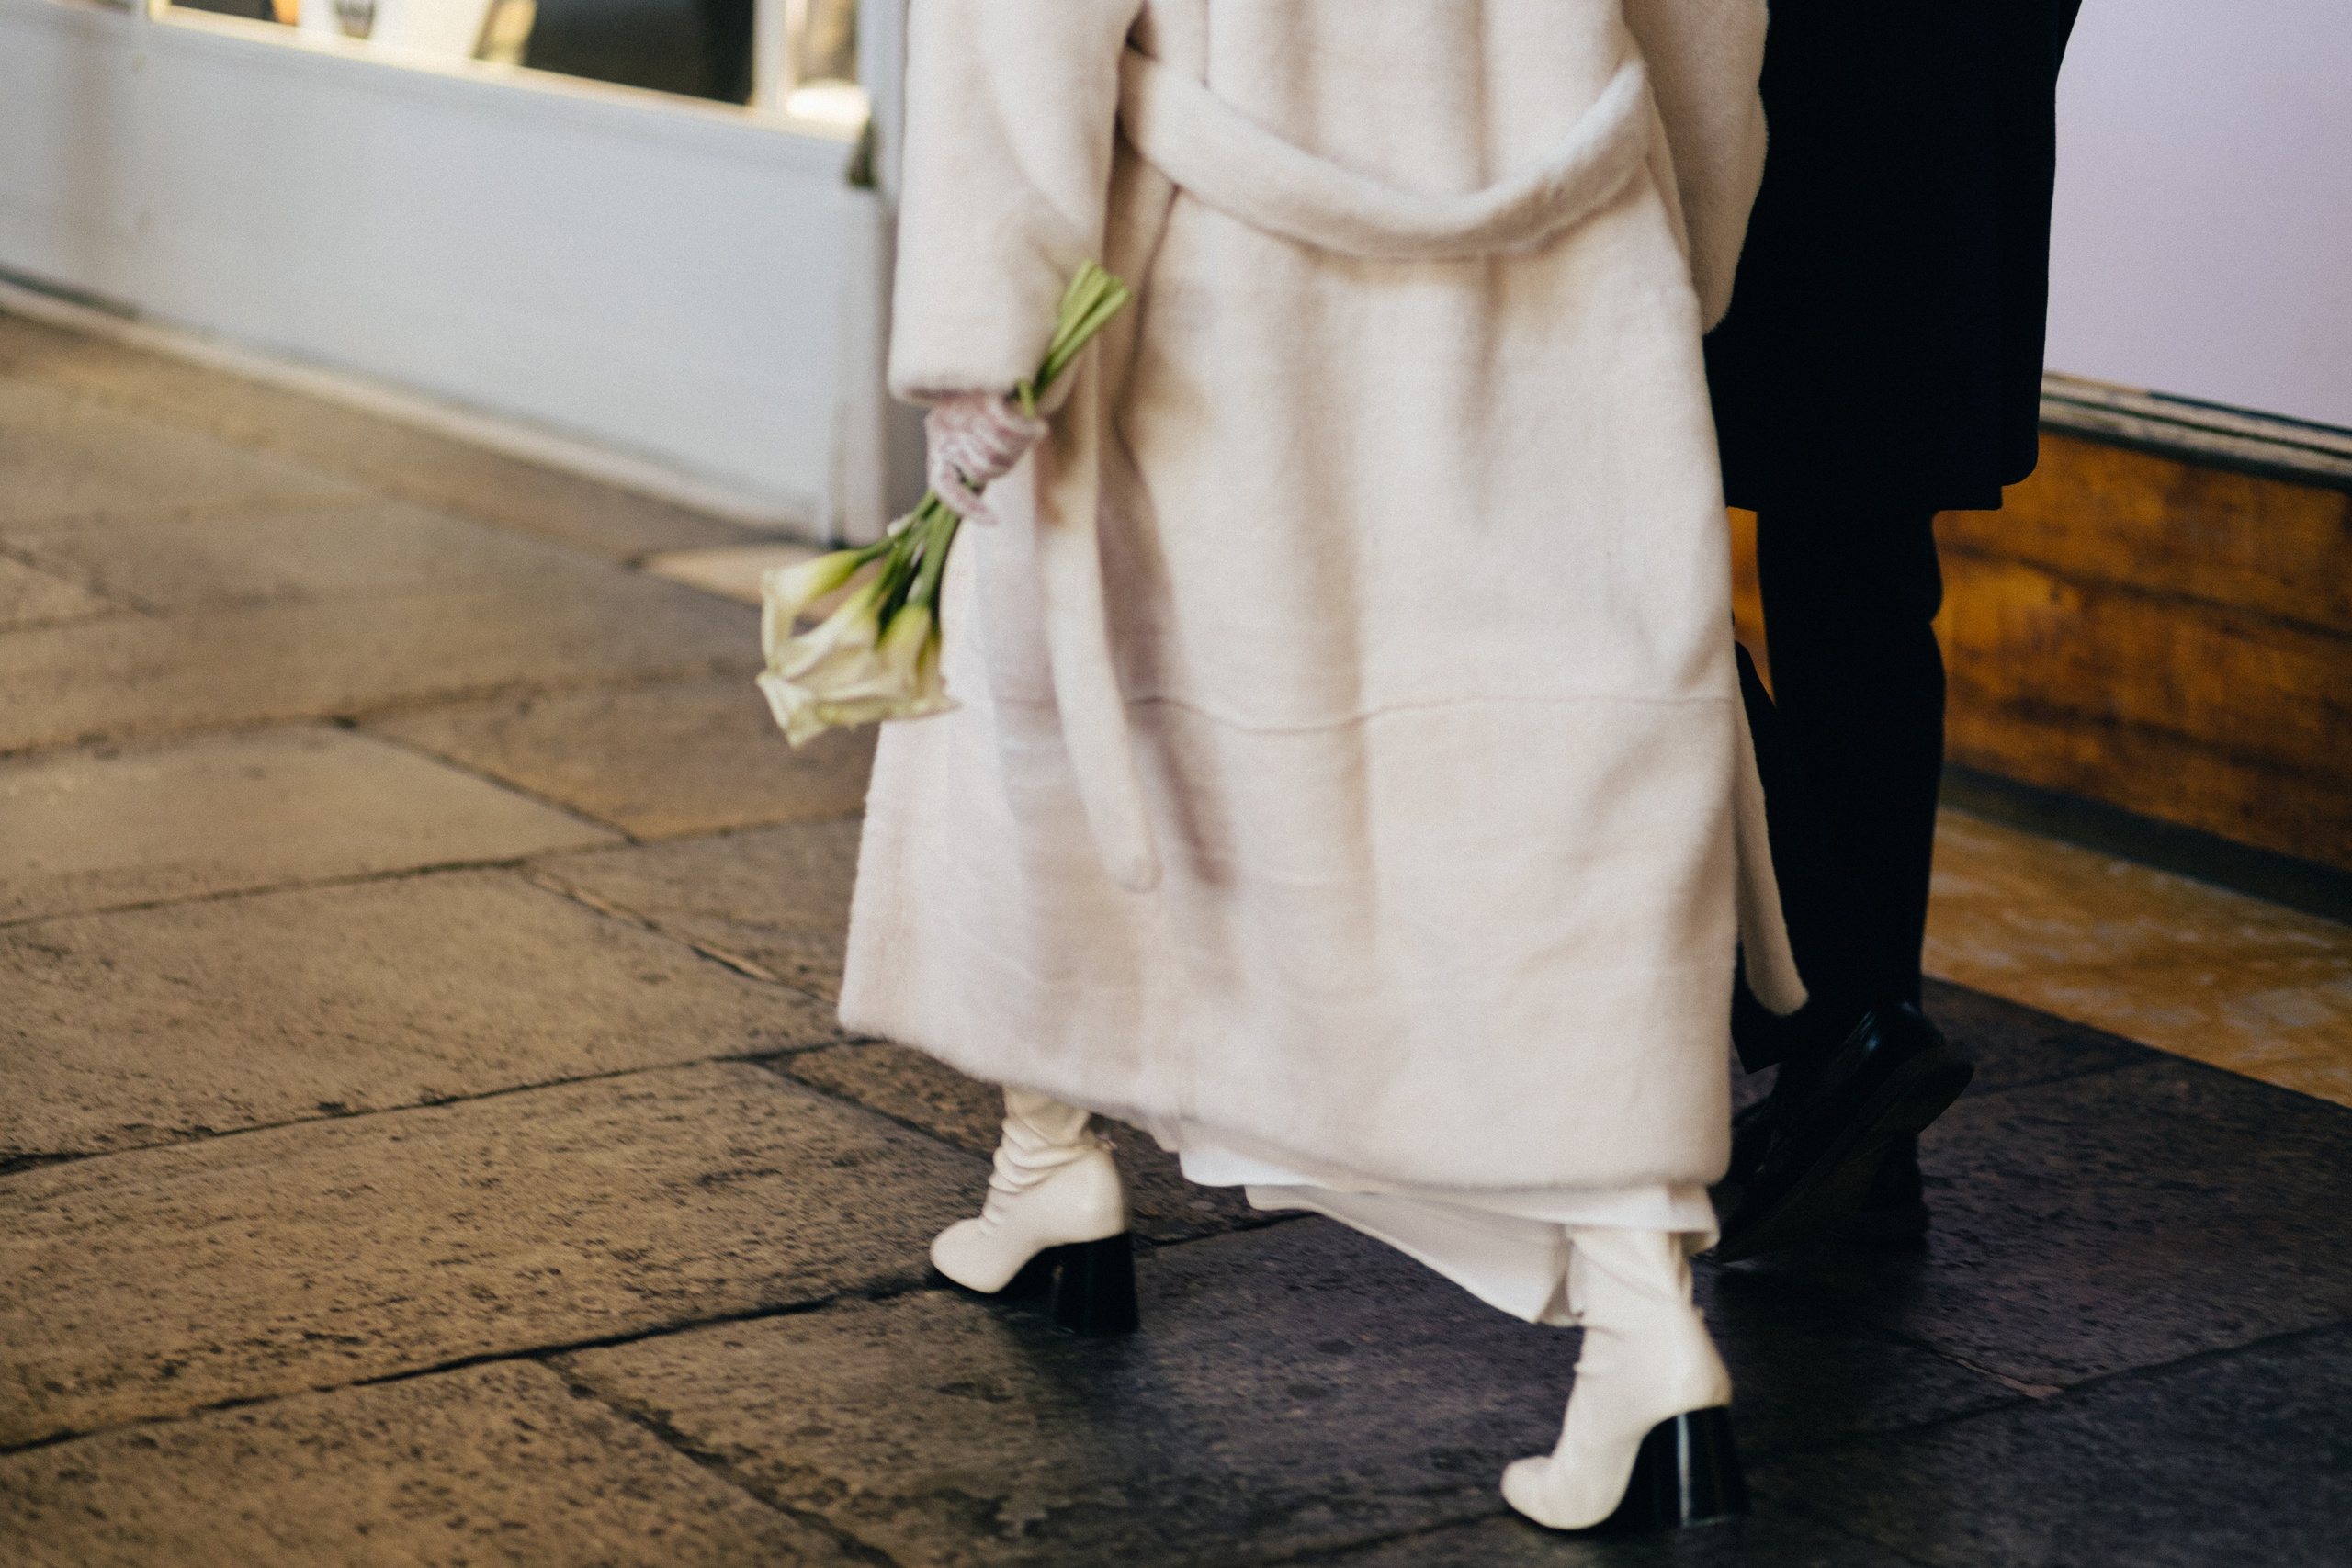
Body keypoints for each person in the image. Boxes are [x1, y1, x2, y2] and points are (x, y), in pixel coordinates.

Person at [847, 0, 1788, 1531]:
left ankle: (1051, 1159)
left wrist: (980, 329)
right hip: (1564, 237)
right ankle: (1642, 1321)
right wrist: (1683, 219)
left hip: (1223, 274)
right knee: (1557, 784)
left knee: (1084, 718)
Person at [1703, 0, 2086, 1260]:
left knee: (1585, 537)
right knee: (1857, 569)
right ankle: (1860, 1123)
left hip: (1801, 62)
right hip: (1932, 61)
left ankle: (1841, 1025)